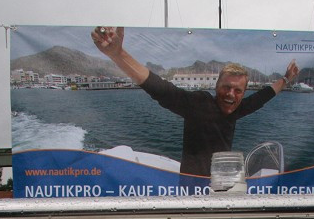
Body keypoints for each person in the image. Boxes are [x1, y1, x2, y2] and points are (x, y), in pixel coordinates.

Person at [91, 26, 299, 177]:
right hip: (192, 186)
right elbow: (159, 88)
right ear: (216, 87)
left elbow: (264, 95)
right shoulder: (198, 104)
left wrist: (287, 79)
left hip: (221, 182)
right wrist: (118, 55)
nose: (231, 94)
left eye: (238, 90)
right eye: (226, 87)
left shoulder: (238, 108)